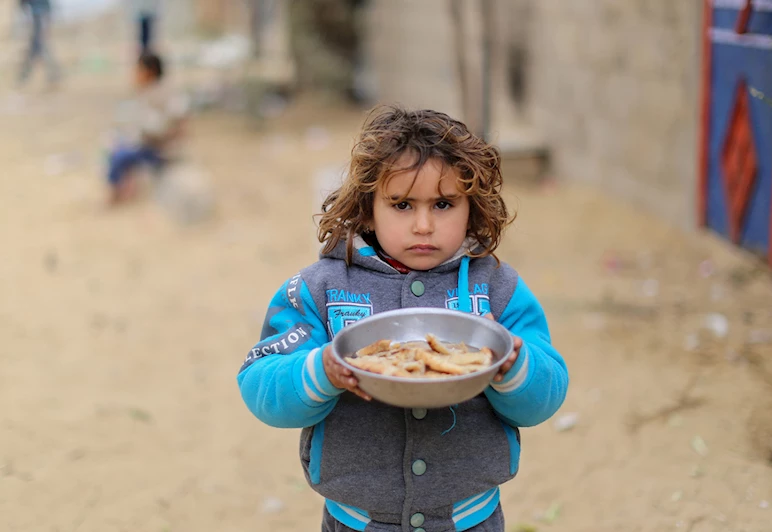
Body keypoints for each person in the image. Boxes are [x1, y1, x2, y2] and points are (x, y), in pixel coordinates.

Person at [237, 105, 569, 531]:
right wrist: (321, 369)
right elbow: (259, 384)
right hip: (357, 522)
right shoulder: (321, 289)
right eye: (402, 204)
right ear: (368, 207)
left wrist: (512, 365)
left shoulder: (497, 289)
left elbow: (547, 394)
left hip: (469, 520)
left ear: (473, 207)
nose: (424, 225)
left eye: (444, 203)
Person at [107, 52, 188, 205]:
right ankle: (125, 188)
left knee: (119, 155)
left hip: (161, 150)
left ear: (149, 71)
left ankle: (116, 195)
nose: (135, 74)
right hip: (150, 144)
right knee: (113, 144)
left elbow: (165, 126)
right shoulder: (148, 91)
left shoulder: (166, 93)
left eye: (138, 70)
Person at [17, 0, 60, 87]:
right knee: (37, 48)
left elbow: (23, 4)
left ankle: (53, 76)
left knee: (40, 47)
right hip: (36, 17)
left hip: (39, 17)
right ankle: (24, 77)